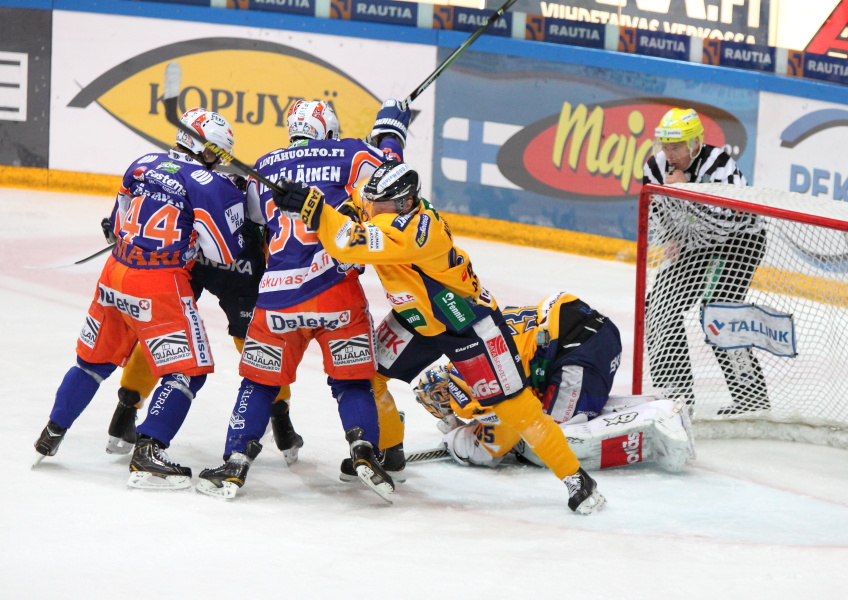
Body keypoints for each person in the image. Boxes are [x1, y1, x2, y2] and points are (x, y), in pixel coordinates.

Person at [273, 160, 607, 515]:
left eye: (379, 205)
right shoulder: (387, 203)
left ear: (403, 204)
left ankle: (576, 479)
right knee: (366, 375)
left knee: (515, 406)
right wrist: (335, 204)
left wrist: (314, 208)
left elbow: (349, 243)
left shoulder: (419, 231)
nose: (371, 209)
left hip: (466, 324)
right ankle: (392, 454)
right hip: (416, 317)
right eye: (372, 201)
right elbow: (358, 201)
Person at [194, 98, 411, 502]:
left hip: (280, 297)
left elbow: (256, 221)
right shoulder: (352, 152)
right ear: (328, 129)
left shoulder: (264, 167)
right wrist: (390, 130)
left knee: (259, 382)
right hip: (337, 292)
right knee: (353, 383)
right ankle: (365, 450)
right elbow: (394, 177)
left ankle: (235, 461)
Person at [33, 108, 247, 490]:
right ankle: (148, 452)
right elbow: (223, 255)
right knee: (188, 370)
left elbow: (116, 227)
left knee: (92, 362)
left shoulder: (142, 163)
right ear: (208, 148)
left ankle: (53, 431)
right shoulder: (208, 182)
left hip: (114, 274)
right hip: (158, 284)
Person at [100, 167, 303, 465]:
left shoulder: (189, 182)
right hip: (241, 264)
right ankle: (282, 424)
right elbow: (280, 235)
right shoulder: (255, 189)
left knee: (165, 332)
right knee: (252, 340)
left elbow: (149, 217)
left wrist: (120, 233)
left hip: (196, 258)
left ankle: (125, 412)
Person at [410, 293, 695, 473]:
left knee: (543, 442)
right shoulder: (463, 356)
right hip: (586, 332)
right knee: (572, 413)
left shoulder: (465, 384)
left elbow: (491, 449)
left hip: (576, 349)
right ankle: (654, 406)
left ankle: (659, 420)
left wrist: (454, 439)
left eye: (439, 405)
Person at [642, 107, 769, 415]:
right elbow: (655, 207)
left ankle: (751, 399)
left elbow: (724, 224)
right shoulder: (655, 166)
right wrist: (670, 236)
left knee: (718, 313)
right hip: (692, 243)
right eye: (665, 145)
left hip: (740, 242)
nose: (669, 154)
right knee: (658, 306)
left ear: (695, 143)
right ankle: (676, 395)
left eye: (677, 146)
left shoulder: (721, 167)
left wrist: (685, 191)